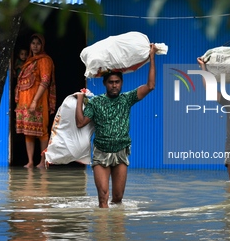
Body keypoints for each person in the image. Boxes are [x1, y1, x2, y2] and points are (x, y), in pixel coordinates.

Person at [75, 44, 158, 208]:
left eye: (117, 82)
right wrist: (79, 100)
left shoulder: (127, 99)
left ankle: (117, 232)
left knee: (118, 198)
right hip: (101, 153)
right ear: (105, 84)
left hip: (121, 152)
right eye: (111, 82)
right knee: (103, 198)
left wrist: (152, 58)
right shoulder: (97, 102)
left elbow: (150, 86)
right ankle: (103, 233)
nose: (114, 85)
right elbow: (80, 123)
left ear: (121, 83)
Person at [15, 34, 56, 168]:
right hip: (25, 103)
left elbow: (45, 81)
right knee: (28, 132)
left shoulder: (44, 60)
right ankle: (31, 161)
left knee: (42, 132)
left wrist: (34, 101)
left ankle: (43, 161)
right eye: (33, 43)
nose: (35, 46)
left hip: (38, 102)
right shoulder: (29, 61)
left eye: (38, 43)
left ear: (42, 45)